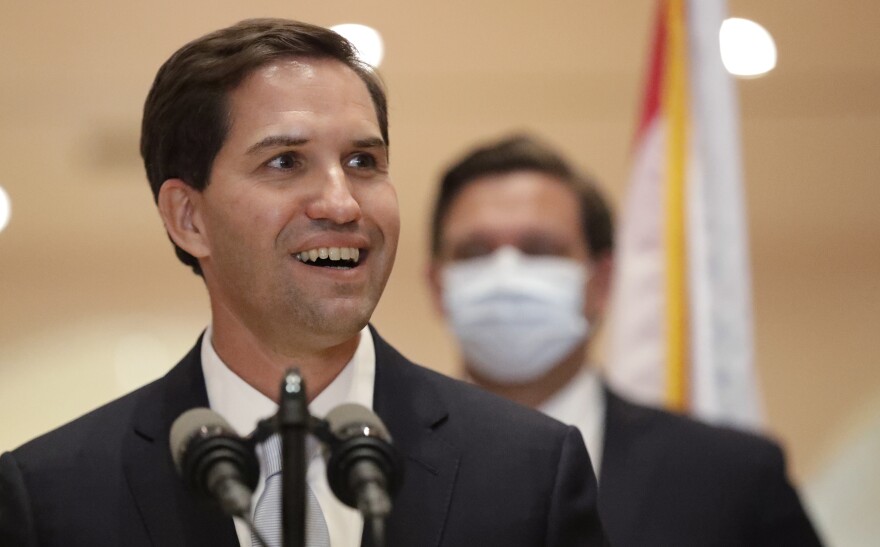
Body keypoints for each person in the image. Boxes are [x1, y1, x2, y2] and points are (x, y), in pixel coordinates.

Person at [0, 20, 607, 547]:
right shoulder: (52, 494)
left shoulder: (529, 470)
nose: (342, 203)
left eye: (363, 162)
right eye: (285, 162)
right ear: (189, 218)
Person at [427, 133, 825, 546]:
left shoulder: (733, 476)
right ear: (437, 286)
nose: (506, 277)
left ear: (601, 281)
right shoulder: (378, 462)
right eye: (474, 252)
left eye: (540, 249)